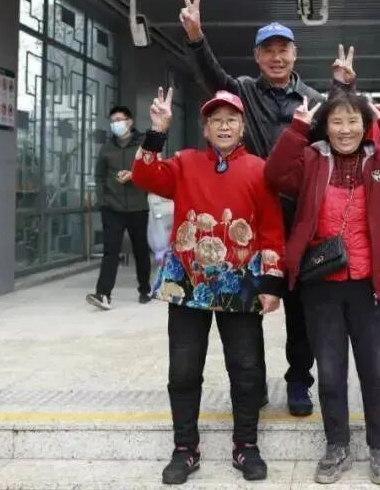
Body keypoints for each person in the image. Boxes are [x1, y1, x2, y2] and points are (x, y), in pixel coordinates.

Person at [178, 0, 355, 416]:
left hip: (300, 220)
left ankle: (299, 381)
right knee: (245, 305)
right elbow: (212, 78)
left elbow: (338, 128)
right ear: (257, 57)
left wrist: (340, 86)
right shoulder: (243, 91)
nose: (277, 58)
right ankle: (252, 384)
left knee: (300, 307)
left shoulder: (312, 100)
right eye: (268, 51)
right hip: (251, 218)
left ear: (295, 54)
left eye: (283, 50)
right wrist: (196, 37)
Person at [264, 91, 380, 485]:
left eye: (353, 121)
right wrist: (297, 129)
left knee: (375, 371)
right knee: (331, 371)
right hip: (321, 284)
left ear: (365, 125)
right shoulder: (311, 159)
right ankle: (336, 446)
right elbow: (274, 176)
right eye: (336, 121)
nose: (345, 129)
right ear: (325, 126)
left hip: (371, 284)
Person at [131, 88, 287, 484]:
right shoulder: (184, 162)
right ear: (205, 128)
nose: (224, 126)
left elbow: (271, 228)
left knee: (246, 368)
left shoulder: (259, 169)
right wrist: (157, 131)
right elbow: (145, 176)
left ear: (242, 127)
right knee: (184, 369)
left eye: (231, 119)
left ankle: (246, 445)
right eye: (216, 120)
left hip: (242, 282)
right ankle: (185, 448)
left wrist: (271, 281)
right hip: (188, 283)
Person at [87, 105, 153, 310]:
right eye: (113, 121)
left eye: (119, 120)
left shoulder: (142, 145)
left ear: (130, 122)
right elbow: (99, 176)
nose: (116, 124)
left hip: (138, 206)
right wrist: (102, 201)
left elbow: (152, 170)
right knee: (111, 252)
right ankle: (103, 294)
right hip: (112, 208)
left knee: (140, 250)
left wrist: (134, 176)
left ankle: (145, 289)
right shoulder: (107, 148)